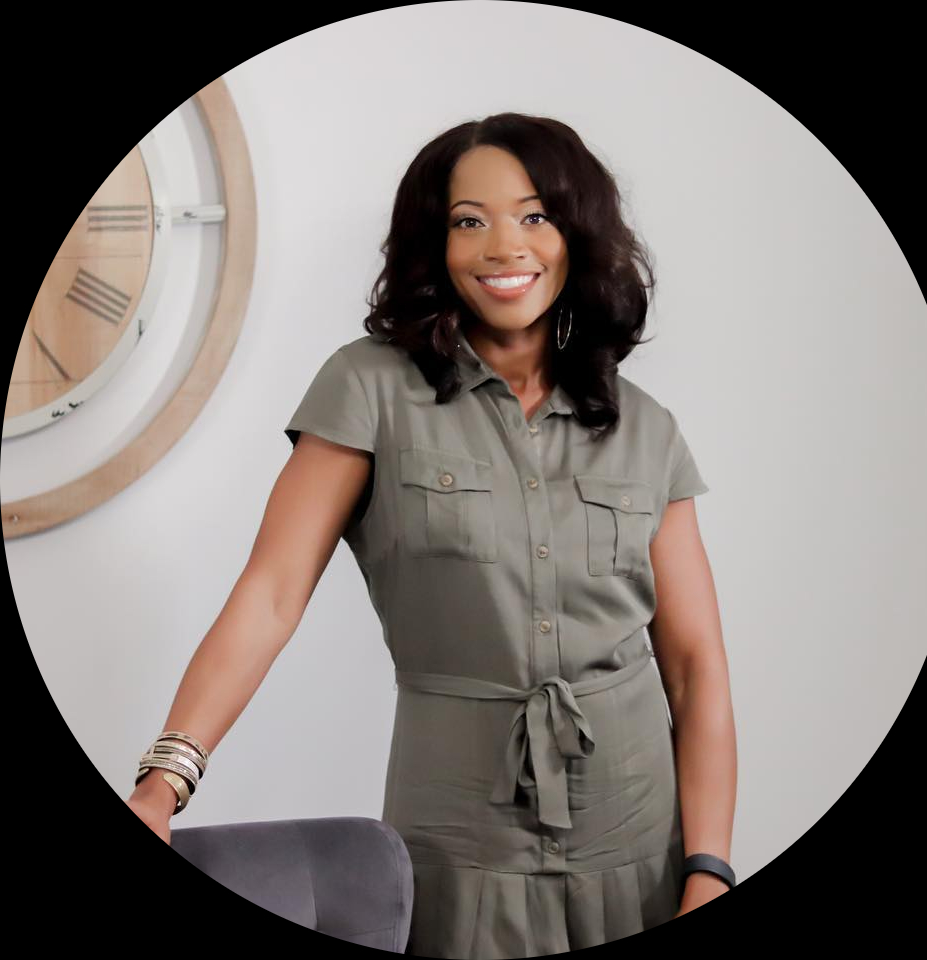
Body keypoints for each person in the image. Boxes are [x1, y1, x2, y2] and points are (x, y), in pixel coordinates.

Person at [128, 112, 737, 956]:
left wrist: (709, 868)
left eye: (535, 215)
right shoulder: (368, 389)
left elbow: (695, 668)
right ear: (435, 244)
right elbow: (269, 597)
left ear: (577, 234)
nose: (504, 246)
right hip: (458, 848)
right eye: (469, 221)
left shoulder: (646, 427)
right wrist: (163, 782)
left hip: (641, 847)